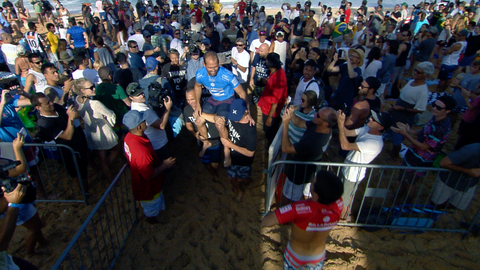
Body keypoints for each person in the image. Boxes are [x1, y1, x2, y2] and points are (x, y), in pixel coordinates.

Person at [261, 170, 343, 270]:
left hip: (296, 257)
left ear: (316, 195)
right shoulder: (339, 204)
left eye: (312, 183)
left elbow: (266, 222)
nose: (311, 184)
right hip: (317, 258)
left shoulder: (299, 209)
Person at [392, 95, 456, 202]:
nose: (434, 108)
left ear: (448, 111)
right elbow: (425, 131)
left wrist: (405, 134)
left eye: (439, 108)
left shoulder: (441, 128)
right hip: (413, 156)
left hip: (419, 161)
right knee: (404, 179)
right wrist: (409, 131)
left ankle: (406, 204)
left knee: (409, 183)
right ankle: (397, 199)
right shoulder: (435, 118)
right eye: (434, 105)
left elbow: (423, 146)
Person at [337, 109, 392, 220]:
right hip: (350, 169)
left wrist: (339, 123)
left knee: (344, 199)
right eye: (372, 117)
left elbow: (345, 146)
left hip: (353, 174)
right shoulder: (367, 128)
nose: (370, 119)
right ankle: (348, 216)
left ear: (381, 127)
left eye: (374, 119)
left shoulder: (374, 143)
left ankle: (342, 218)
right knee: (349, 195)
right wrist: (341, 122)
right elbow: (347, 132)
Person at [123, 110, 175, 224]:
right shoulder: (142, 152)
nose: (145, 122)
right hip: (148, 188)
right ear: (139, 127)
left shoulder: (129, 137)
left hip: (139, 181)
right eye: (143, 121)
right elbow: (149, 175)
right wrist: (165, 165)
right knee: (151, 207)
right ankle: (152, 221)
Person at [31, 92, 90, 193]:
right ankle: (85, 193)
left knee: (86, 166)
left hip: (79, 142)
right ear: (38, 107)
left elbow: (71, 115)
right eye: (47, 103)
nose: (51, 104)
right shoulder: (44, 123)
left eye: (50, 101)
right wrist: (71, 119)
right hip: (69, 150)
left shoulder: (56, 108)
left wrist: (74, 114)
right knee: (77, 173)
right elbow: (67, 136)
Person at [281, 106, 337, 203]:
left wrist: (285, 125)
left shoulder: (314, 142)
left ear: (325, 123)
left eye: (318, 115)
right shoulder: (319, 126)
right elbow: (301, 123)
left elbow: (286, 148)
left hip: (299, 173)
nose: (314, 114)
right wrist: (291, 113)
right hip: (310, 170)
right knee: (305, 198)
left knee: (289, 198)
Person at [73, 77, 118, 180]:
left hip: (90, 131)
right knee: (115, 149)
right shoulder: (95, 103)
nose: (94, 89)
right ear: (82, 90)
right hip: (103, 131)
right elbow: (110, 114)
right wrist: (111, 122)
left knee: (99, 154)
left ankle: (103, 170)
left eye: (94, 86)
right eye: (91, 87)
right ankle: (108, 173)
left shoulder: (77, 101)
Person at [389, 61, 433, 158]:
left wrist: (403, 108)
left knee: (398, 137)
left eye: (418, 72)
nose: (415, 72)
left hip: (404, 117)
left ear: (425, 75)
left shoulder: (423, 91)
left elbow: (420, 109)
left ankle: (394, 155)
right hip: (397, 112)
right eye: (415, 70)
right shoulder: (410, 82)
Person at [194, 51, 253, 124]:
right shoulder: (200, 74)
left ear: (218, 63)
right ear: (204, 64)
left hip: (227, 99)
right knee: (198, 121)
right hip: (213, 99)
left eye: (215, 66)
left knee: (220, 123)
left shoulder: (228, 75)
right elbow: (197, 86)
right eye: (210, 67)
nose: (213, 70)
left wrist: (247, 112)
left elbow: (242, 93)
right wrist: (197, 104)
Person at [215, 99, 256, 201]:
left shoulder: (250, 129)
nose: (234, 120)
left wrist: (230, 145)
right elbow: (215, 116)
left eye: (237, 117)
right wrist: (218, 119)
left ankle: (245, 183)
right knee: (232, 178)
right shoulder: (231, 116)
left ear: (245, 112)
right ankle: (239, 191)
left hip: (243, 161)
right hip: (231, 158)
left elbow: (250, 153)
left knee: (242, 179)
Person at [127, 82, 173, 163]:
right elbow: (161, 126)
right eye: (138, 95)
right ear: (131, 97)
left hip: (154, 142)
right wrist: (167, 109)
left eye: (141, 92)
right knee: (167, 168)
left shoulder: (135, 105)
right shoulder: (144, 111)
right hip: (159, 144)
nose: (142, 95)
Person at [184, 86, 221, 180]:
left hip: (214, 139)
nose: (190, 102)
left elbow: (217, 118)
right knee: (205, 161)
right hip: (201, 140)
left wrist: (201, 115)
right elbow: (188, 125)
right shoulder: (187, 110)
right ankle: (214, 175)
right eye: (188, 100)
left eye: (192, 99)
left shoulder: (208, 106)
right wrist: (194, 134)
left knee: (215, 163)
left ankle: (214, 172)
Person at [431, 143, 480, 210]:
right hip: (448, 182)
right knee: (436, 203)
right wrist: (468, 171)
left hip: (468, 186)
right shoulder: (471, 150)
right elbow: (443, 163)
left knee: (457, 205)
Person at [258, 52, 287, 146]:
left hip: (271, 112)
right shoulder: (275, 71)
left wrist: (270, 117)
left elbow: (275, 102)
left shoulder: (279, 78)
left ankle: (269, 151)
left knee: (270, 134)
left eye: (267, 60)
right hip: (267, 107)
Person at [95, 66, 131, 138]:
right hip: (122, 119)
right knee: (127, 137)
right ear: (109, 76)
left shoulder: (97, 89)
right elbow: (128, 103)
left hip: (109, 121)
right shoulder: (117, 88)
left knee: (117, 140)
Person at [327, 48, 363, 113]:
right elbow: (330, 69)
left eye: (355, 57)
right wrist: (335, 60)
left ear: (359, 60)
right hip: (337, 96)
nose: (352, 58)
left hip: (346, 99)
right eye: (351, 56)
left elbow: (351, 75)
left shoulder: (358, 70)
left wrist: (348, 60)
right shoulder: (345, 66)